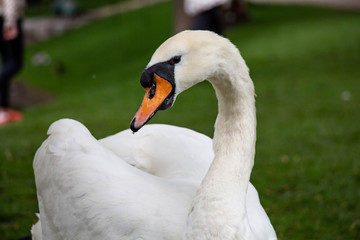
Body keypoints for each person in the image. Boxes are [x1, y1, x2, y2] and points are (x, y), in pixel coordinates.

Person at [0, 0, 26, 127]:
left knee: (7, 63)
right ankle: (3, 108)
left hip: (4, 17)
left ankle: (4, 109)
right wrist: (10, 22)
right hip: (8, 18)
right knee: (15, 63)